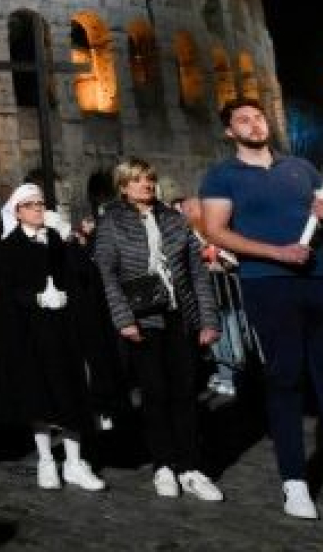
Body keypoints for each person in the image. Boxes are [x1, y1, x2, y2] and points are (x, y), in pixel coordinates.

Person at [199, 98, 323, 521]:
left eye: (258, 117)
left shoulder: (301, 168)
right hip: (268, 285)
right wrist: (274, 252)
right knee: (285, 378)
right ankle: (294, 481)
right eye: (244, 120)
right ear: (229, 132)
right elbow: (216, 231)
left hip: (321, 281)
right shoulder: (222, 175)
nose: (255, 124)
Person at [93, 158, 223, 501]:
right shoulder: (111, 222)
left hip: (181, 317)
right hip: (143, 319)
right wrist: (123, 319)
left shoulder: (174, 218)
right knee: (155, 394)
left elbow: (197, 273)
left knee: (185, 392)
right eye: (137, 180)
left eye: (149, 179)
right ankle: (164, 465)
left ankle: (191, 467)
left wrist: (208, 319)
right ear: (123, 186)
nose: (146, 185)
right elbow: (106, 273)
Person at [0, 182, 107, 491]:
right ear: (18, 211)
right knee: (38, 396)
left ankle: (75, 462)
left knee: (72, 392)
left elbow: (83, 273)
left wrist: (68, 239)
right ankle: (47, 460)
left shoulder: (58, 242)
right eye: (32, 204)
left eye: (41, 204)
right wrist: (34, 299)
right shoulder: (9, 247)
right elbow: (5, 290)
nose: (39, 209)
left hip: (65, 328)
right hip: (31, 332)